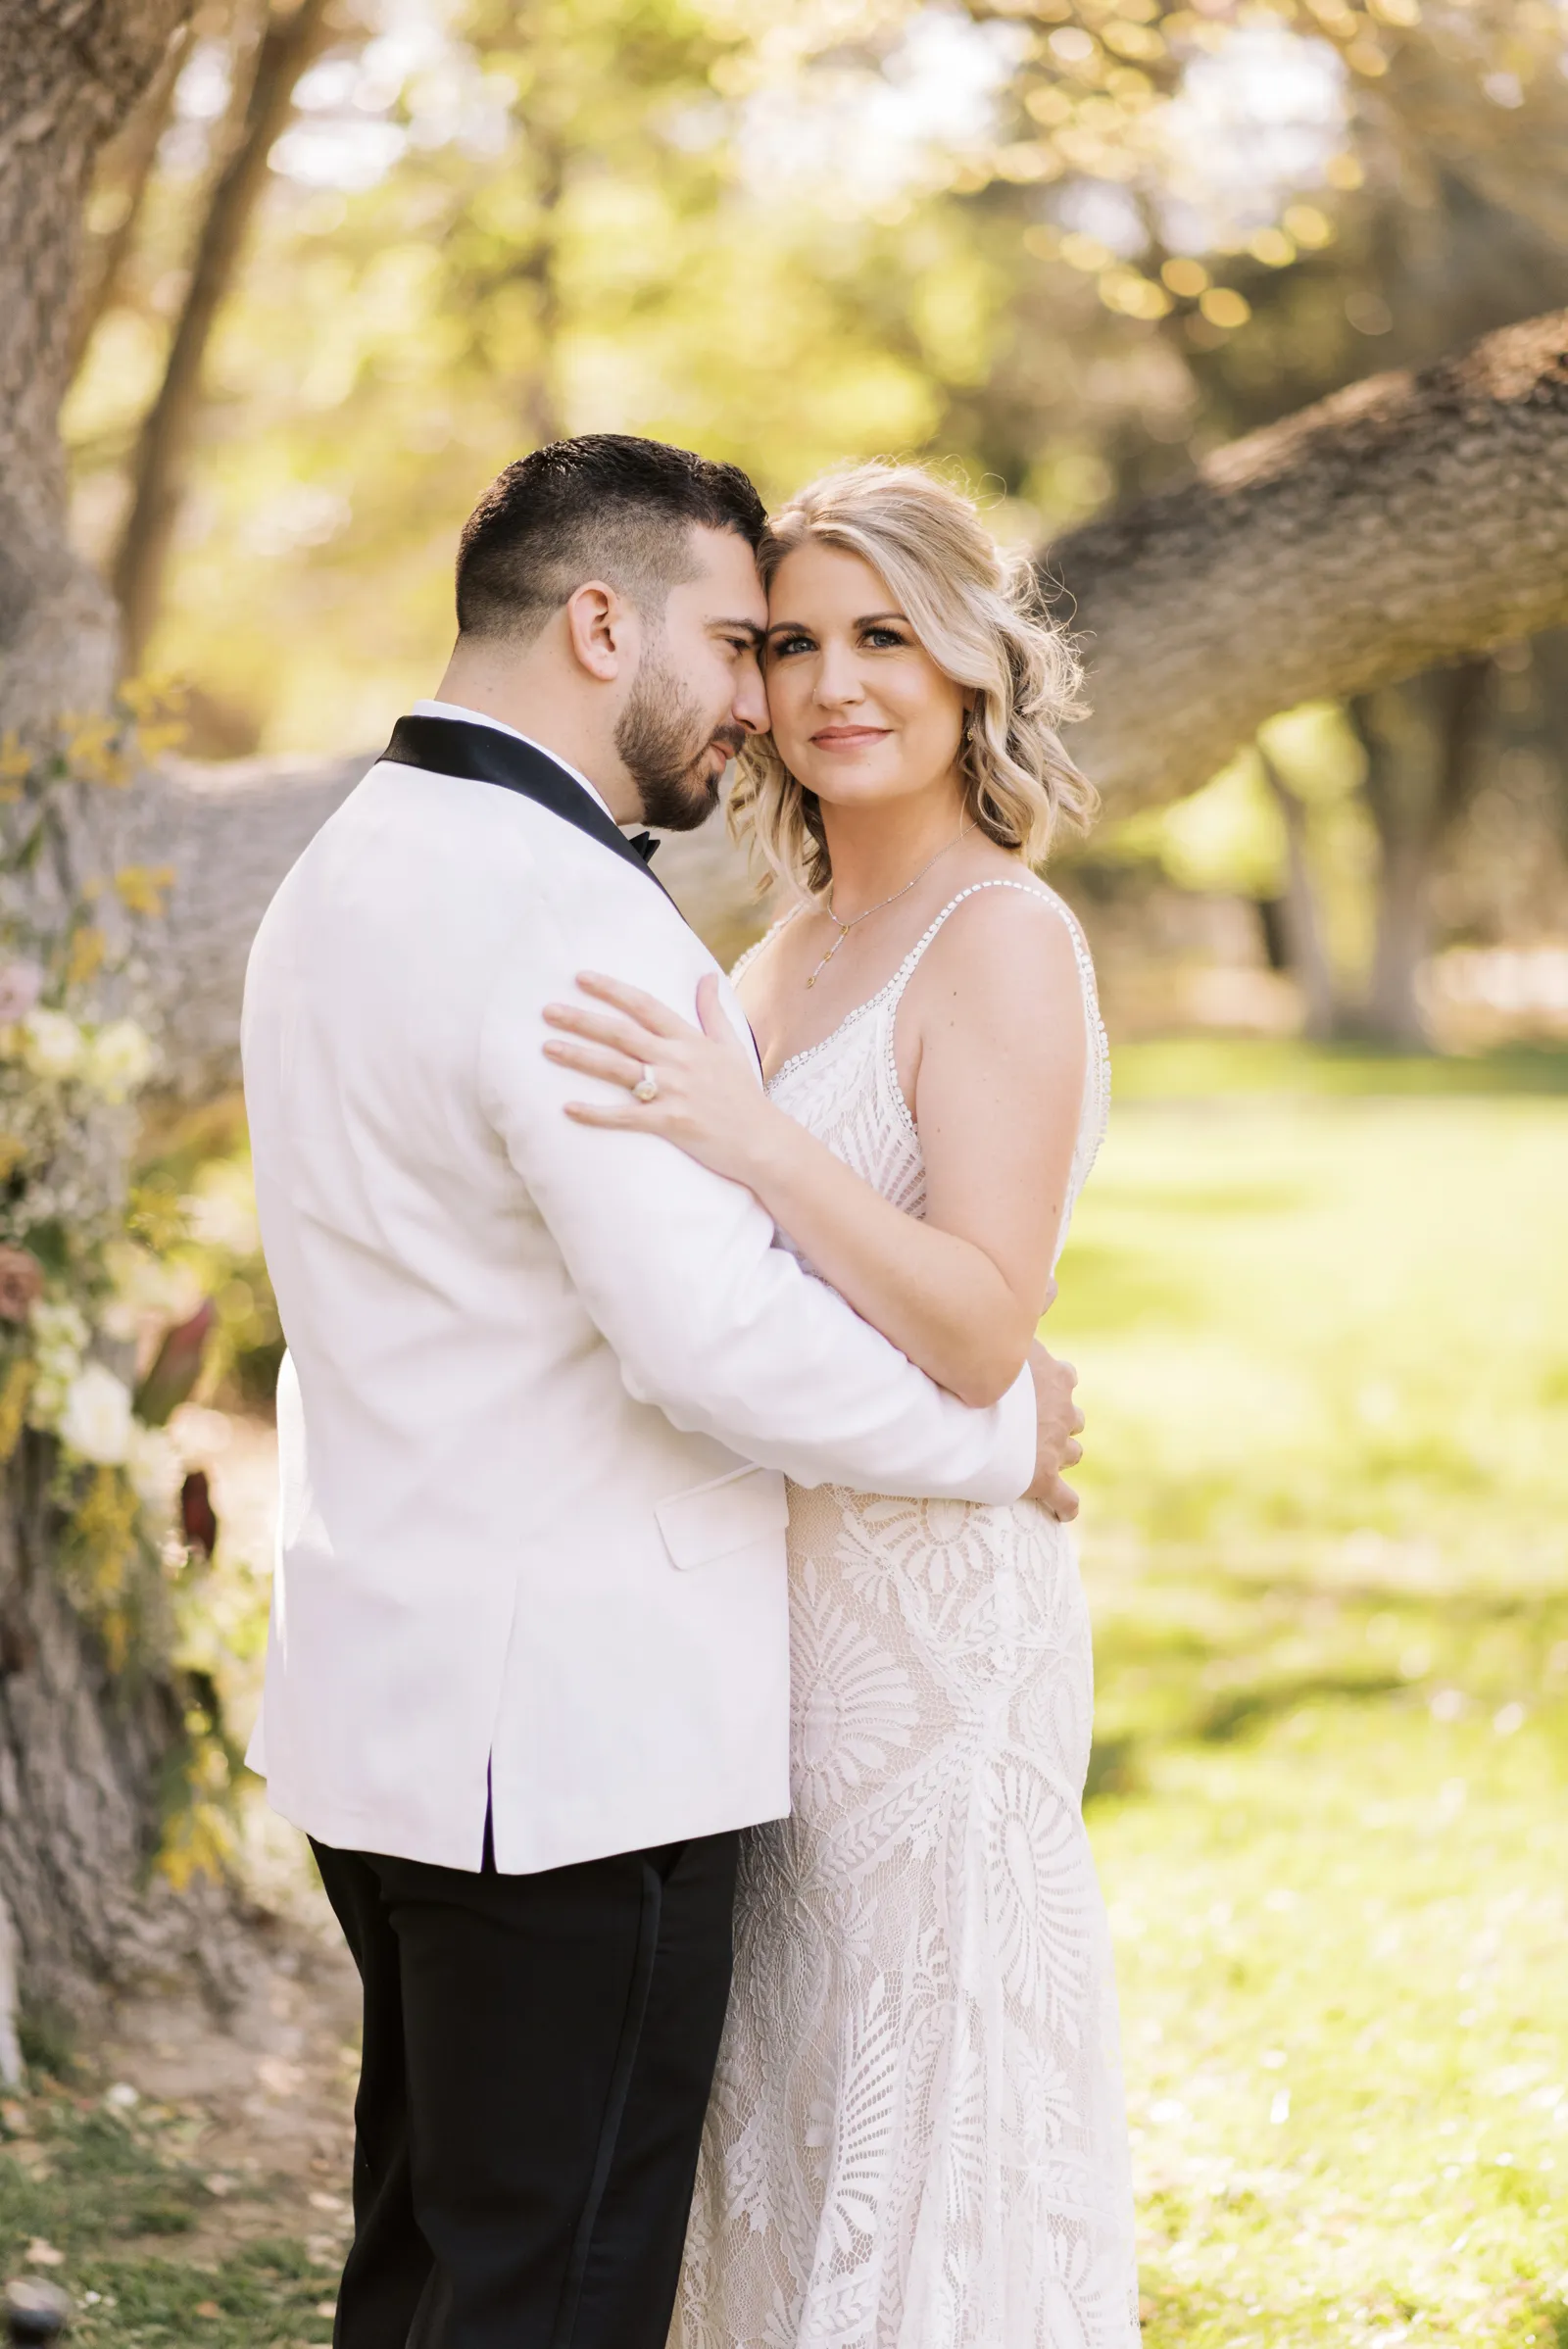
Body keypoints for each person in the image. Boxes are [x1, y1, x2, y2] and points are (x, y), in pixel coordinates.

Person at [239, 434, 1085, 2349]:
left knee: (436, 2256)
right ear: (603, 622)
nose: (766, 695)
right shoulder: (570, 916)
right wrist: (995, 1427)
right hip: (564, 1743)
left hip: (396, 1709)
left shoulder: (342, 871)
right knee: (556, 2284)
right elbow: (707, 1334)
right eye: (750, 638)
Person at [541, 461, 1139, 2345]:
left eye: (884, 635)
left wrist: (749, 1142)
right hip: (761, 1628)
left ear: (974, 665)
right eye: (791, 643)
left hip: (928, 1643)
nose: (831, 685)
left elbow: (977, 1331)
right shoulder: (775, 956)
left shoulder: (1006, 941)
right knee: (784, 2126)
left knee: (923, 2118)